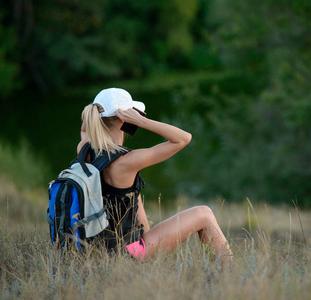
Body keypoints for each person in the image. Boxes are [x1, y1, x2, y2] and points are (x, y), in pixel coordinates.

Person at [77, 87, 233, 263]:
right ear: (125, 120)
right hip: (126, 253)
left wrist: (96, 116)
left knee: (132, 196)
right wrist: (144, 122)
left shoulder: (85, 149)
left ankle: (150, 264)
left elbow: (84, 129)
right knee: (203, 213)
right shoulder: (126, 161)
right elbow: (184, 138)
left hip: (101, 249)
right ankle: (230, 275)